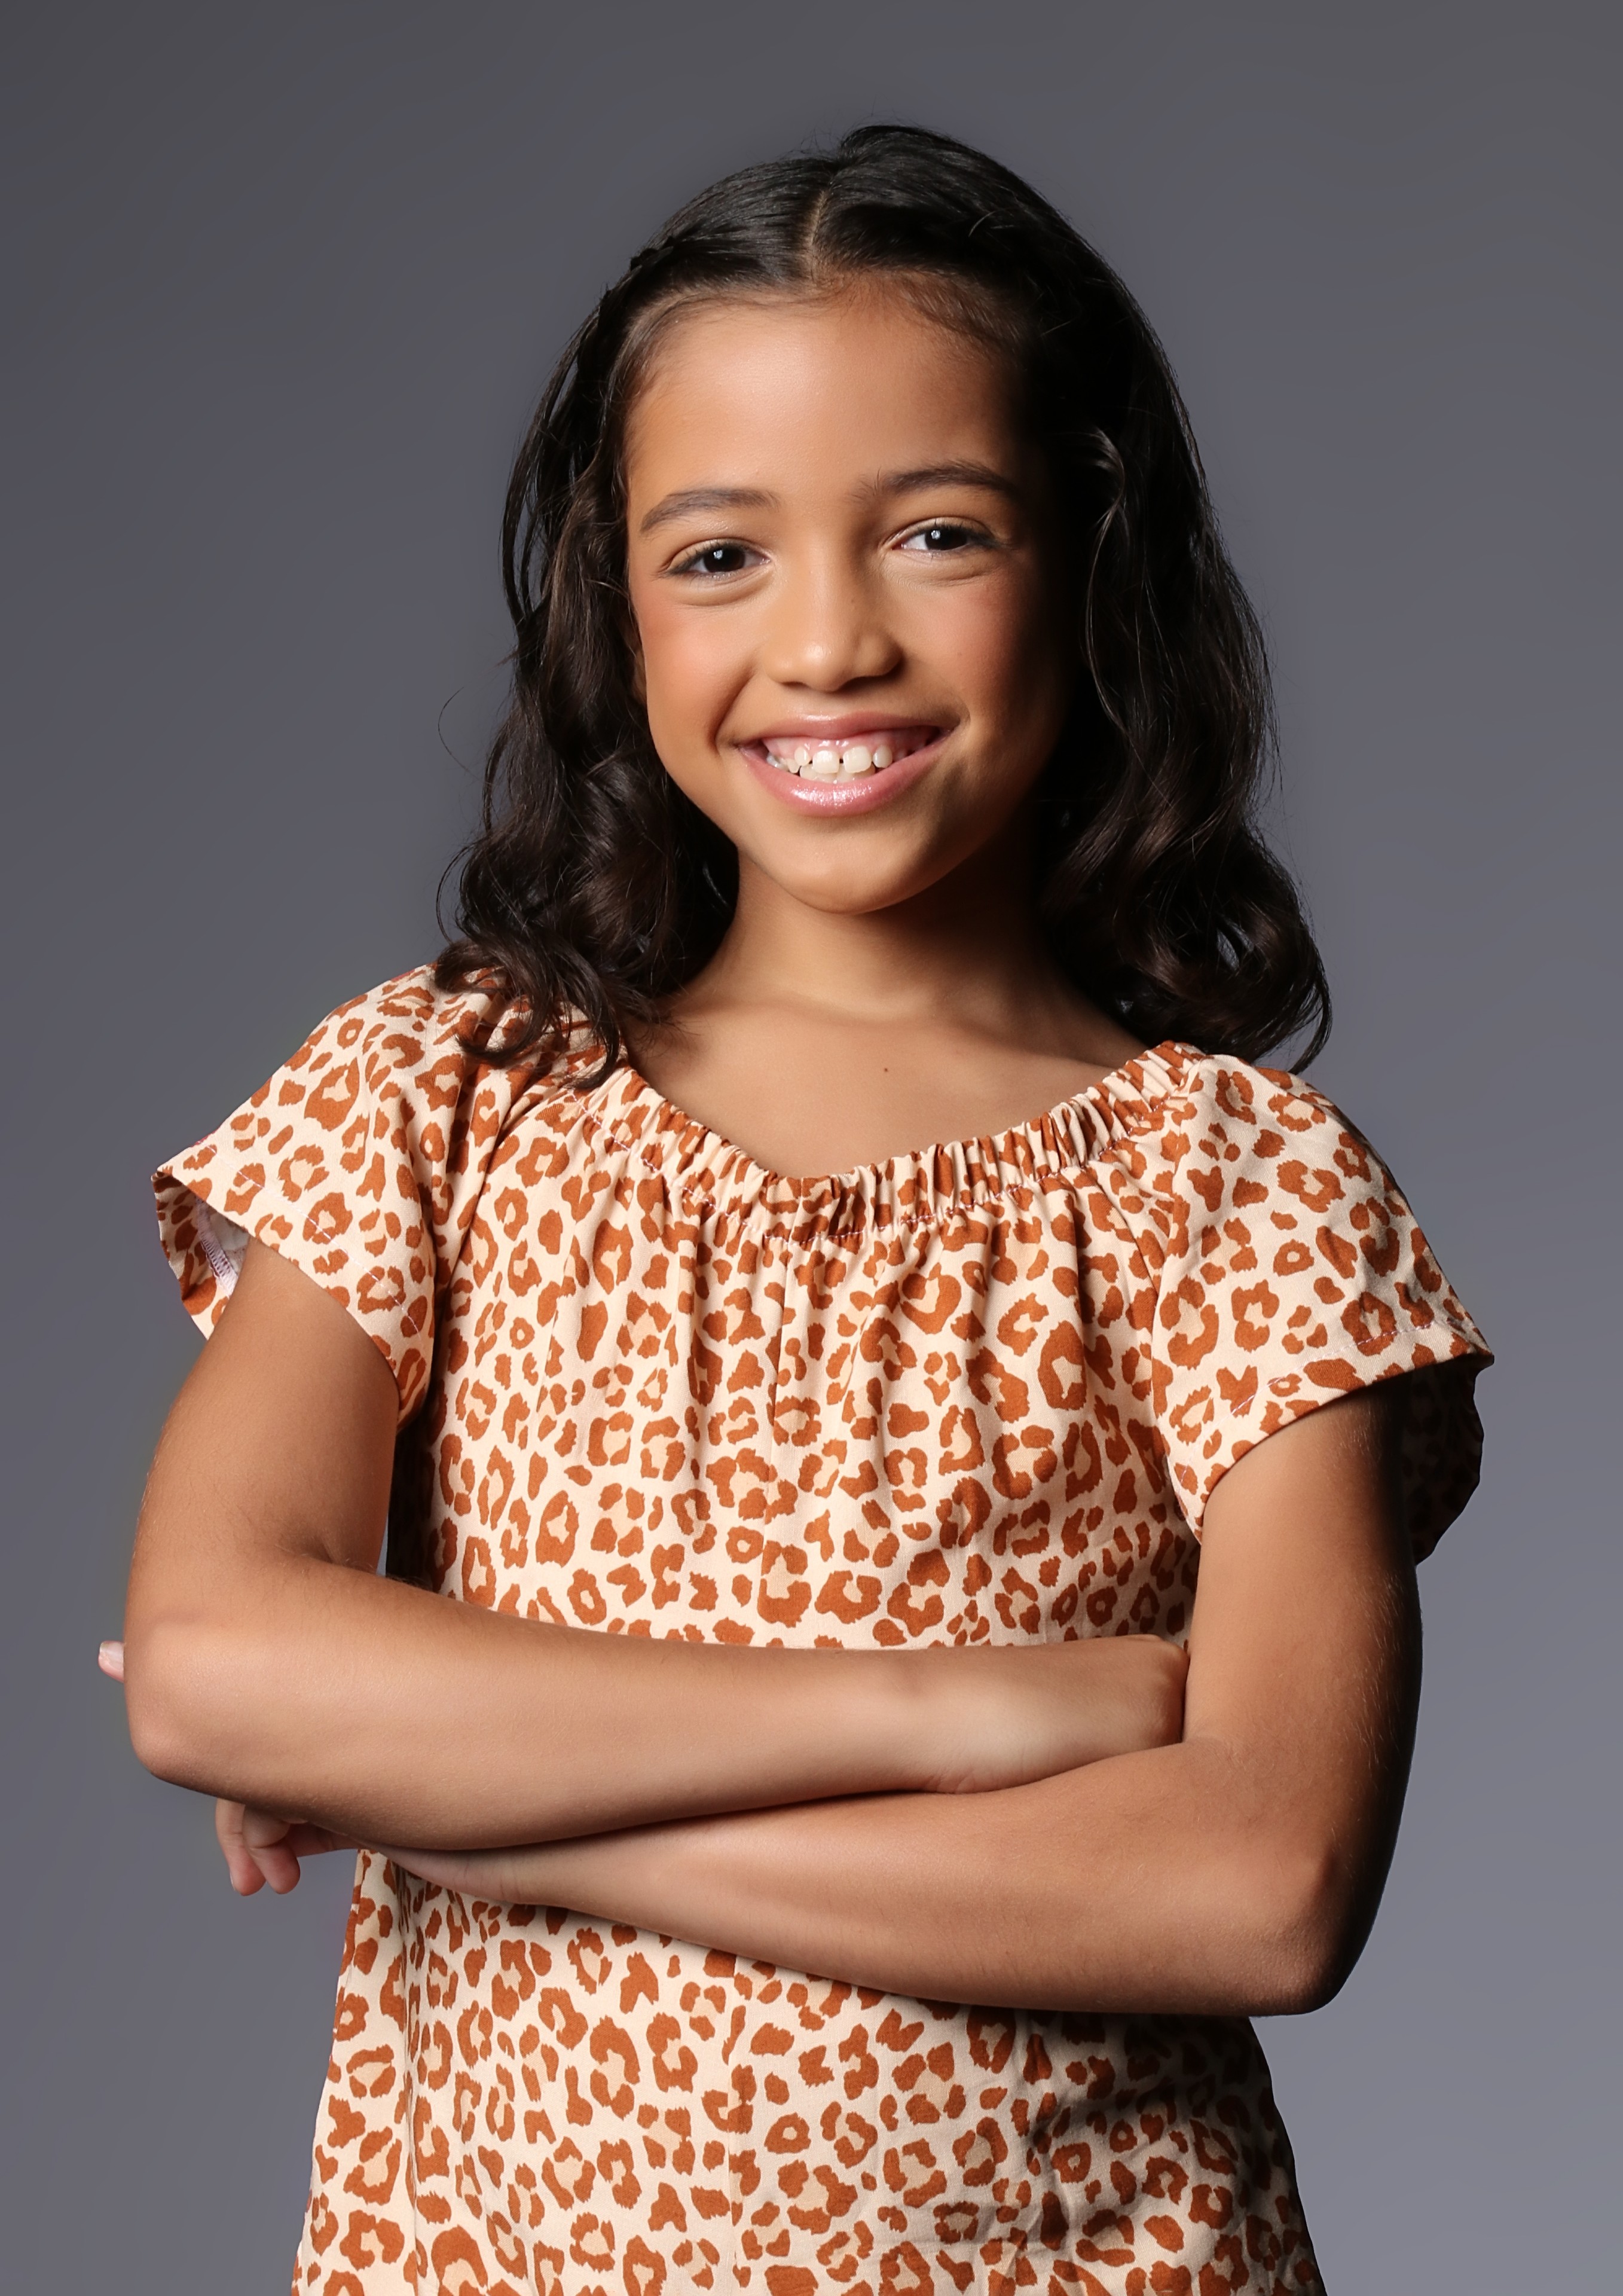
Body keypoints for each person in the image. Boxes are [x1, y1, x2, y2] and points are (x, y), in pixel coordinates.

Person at [112, 125, 1490, 2296]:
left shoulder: (1237, 1186)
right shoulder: (441, 1097)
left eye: (936, 533)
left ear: (1091, 564)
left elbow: (1260, 1882)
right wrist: (953, 1713)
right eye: (720, 553)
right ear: (617, 607)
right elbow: (211, 1667)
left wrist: (471, 1805)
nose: (829, 641)